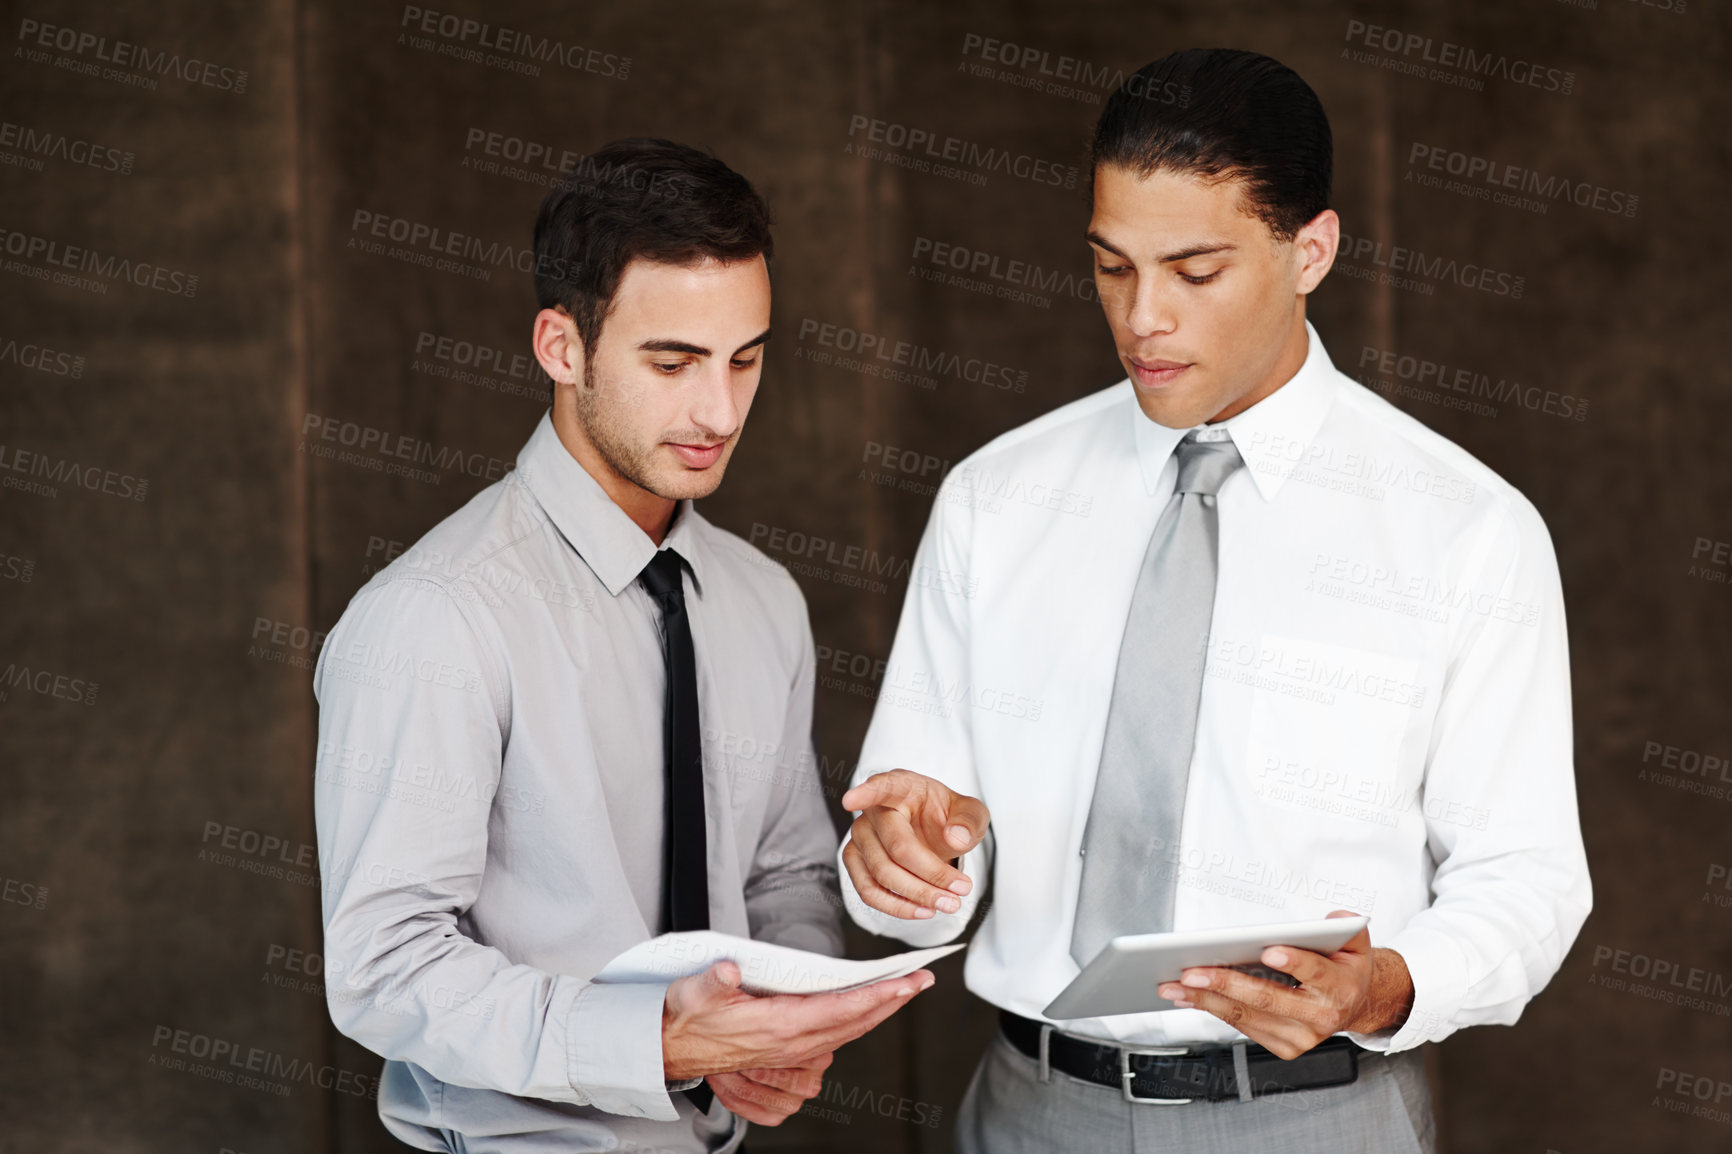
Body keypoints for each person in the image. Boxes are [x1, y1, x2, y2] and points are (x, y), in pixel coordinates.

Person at [837, 50, 1591, 1153]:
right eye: (1110, 265)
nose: (1143, 318)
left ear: (1310, 252)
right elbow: (922, 857)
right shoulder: (994, 499)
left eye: (1195, 272)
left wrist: (1384, 985)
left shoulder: (1465, 531)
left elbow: (1524, 878)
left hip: (1316, 1117)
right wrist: (904, 864)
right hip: (1027, 1111)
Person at [313, 137, 933, 1154]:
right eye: (672, 360)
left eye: (746, 356)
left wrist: (776, 1027)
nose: (719, 409)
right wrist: (655, 1039)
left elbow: (784, 878)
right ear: (562, 347)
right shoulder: (433, 616)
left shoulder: (760, 597)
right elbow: (383, 966)